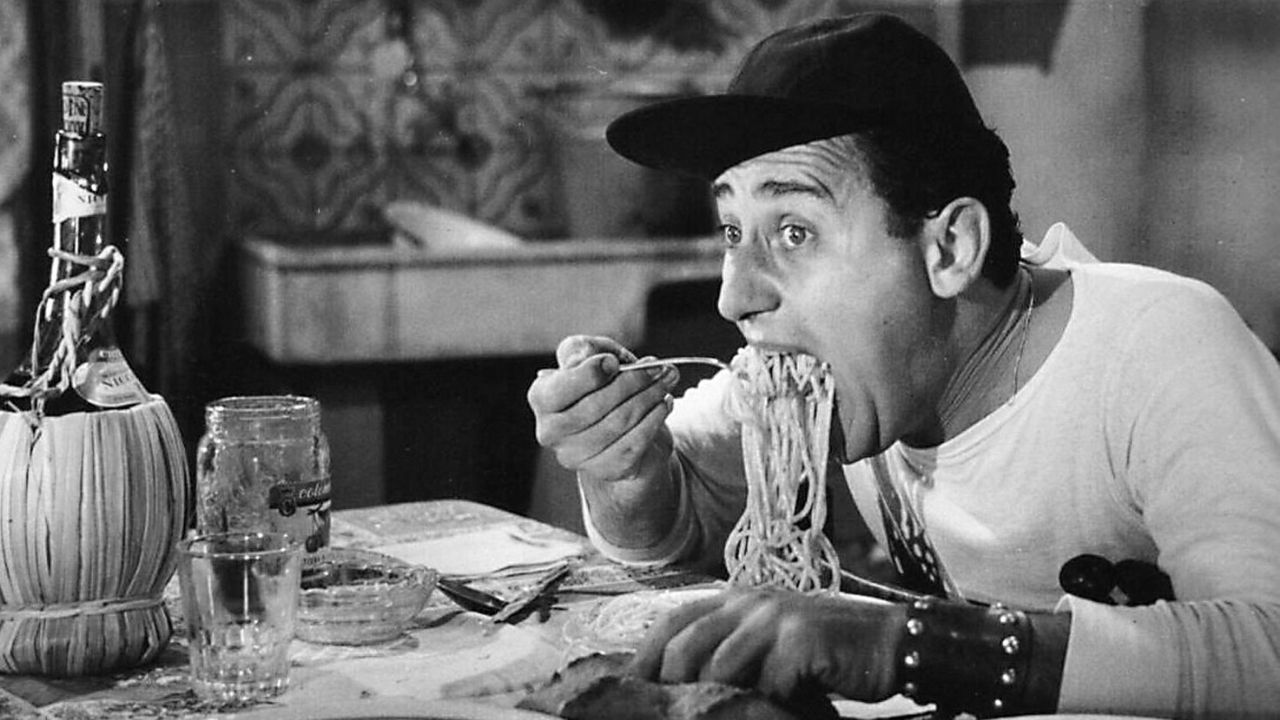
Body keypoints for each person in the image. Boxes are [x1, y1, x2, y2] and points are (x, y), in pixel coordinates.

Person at [526, 13, 1280, 718]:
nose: (735, 296)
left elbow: (1271, 642)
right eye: (732, 230)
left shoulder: (1155, 347)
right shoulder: (817, 381)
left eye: (794, 232)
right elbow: (673, 509)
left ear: (949, 248)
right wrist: (628, 474)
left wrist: (905, 643)